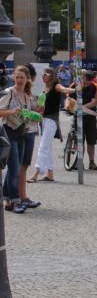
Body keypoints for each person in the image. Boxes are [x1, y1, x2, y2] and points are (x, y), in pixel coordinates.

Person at [0, 66, 41, 212]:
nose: (19, 80)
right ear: (13, 77)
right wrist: (12, 111)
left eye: (21, 77)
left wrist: (35, 115)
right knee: (15, 168)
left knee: (14, 168)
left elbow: (30, 113)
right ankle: (16, 201)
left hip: (22, 134)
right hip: (9, 134)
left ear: (27, 79)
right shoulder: (9, 92)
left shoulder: (28, 94)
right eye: (16, 77)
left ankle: (8, 200)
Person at [31, 67, 74, 183]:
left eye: (45, 74)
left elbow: (65, 90)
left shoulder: (56, 86)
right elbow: (42, 105)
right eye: (43, 75)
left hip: (51, 120)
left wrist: (76, 89)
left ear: (51, 76)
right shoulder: (46, 88)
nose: (43, 76)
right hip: (44, 120)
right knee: (47, 147)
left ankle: (36, 172)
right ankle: (50, 174)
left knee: (43, 147)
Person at [78, 69, 97, 169]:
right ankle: (79, 162)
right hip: (78, 117)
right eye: (84, 78)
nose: (85, 81)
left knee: (91, 141)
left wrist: (80, 107)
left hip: (90, 117)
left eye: (88, 79)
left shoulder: (95, 87)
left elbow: (94, 102)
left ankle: (92, 162)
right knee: (79, 140)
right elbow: (69, 98)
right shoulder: (75, 86)